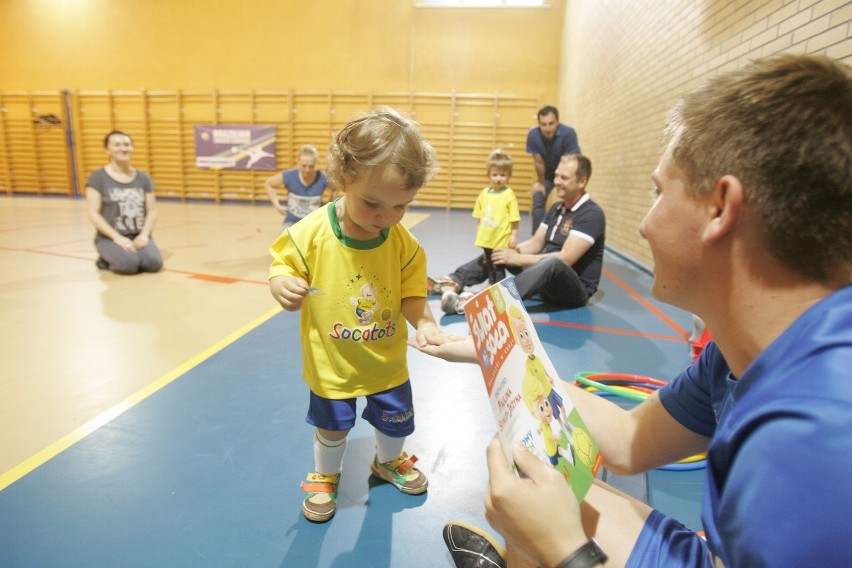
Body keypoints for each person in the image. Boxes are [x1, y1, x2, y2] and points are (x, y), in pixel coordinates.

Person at [415, 54, 852, 567]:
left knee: (547, 518)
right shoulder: (741, 352)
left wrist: (568, 551)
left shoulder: (819, 441)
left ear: (719, 208)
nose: (644, 224)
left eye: (658, 191)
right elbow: (629, 439)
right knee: (546, 479)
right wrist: (494, 353)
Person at [268, 107, 457, 523]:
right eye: (372, 203)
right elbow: (283, 264)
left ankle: (386, 461)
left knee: (396, 422)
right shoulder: (312, 232)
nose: (385, 218)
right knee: (333, 427)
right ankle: (326, 474)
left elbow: (410, 291)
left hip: (386, 361)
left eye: (400, 207)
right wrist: (281, 283)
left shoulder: (401, 241)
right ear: (343, 177)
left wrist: (424, 321)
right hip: (332, 361)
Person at [437, 153, 605, 315]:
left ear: (582, 181)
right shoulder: (557, 208)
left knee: (552, 262)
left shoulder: (591, 214)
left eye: (564, 178)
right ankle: (453, 280)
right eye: (556, 176)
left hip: (572, 290)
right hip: (544, 278)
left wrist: (517, 259)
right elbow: (536, 243)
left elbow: (566, 259)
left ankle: (486, 304)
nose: (556, 182)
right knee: (500, 251)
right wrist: (509, 252)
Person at [85, 130, 163, 275]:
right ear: (107, 150)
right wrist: (117, 238)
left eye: (127, 144)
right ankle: (104, 258)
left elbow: (152, 211)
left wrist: (145, 235)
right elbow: (93, 213)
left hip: (137, 235)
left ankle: (129, 253)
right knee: (129, 265)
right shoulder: (97, 178)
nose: (123, 148)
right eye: (117, 145)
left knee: (153, 264)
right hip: (110, 237)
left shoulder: (143, 178)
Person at [527, 105, 580, 233]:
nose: (547, 128)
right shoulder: (533, 135)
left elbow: (572, 161)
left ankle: (568, 235)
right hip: (547, 174)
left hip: (567, 173)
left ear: (557, 121)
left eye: (551, 124)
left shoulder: (568, 133)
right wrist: (540, 182)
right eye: (543, 124)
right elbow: (538, 162)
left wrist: (564, 182)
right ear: (538, 123)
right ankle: (537, 237)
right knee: (538, 196)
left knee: (571, 200)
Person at [471, 148, 520, 285]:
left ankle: (500, 290)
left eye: (502, 175)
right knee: (489, 265)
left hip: (501, 239)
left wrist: (514, 235)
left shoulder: (509, 194)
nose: (498, 178)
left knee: (498, 267)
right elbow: (479, 217)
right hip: (487, 239)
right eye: (495, 175)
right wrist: (479, 234)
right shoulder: (484, 194)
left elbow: (514, 218)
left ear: (509, 175)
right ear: (489, 175)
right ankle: (492, 287)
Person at [263, 144, 335, 230]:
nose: (307, 170)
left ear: (316, 164)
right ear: (298, 163)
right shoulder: (289, 176)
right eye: (304, 166)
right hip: (292, 221)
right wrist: (277, 205)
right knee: (283, 242)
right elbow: (269, 184)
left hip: (314, 222)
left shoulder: (322, 178)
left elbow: (335, 189)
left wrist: (327, 207)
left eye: (311, 166)